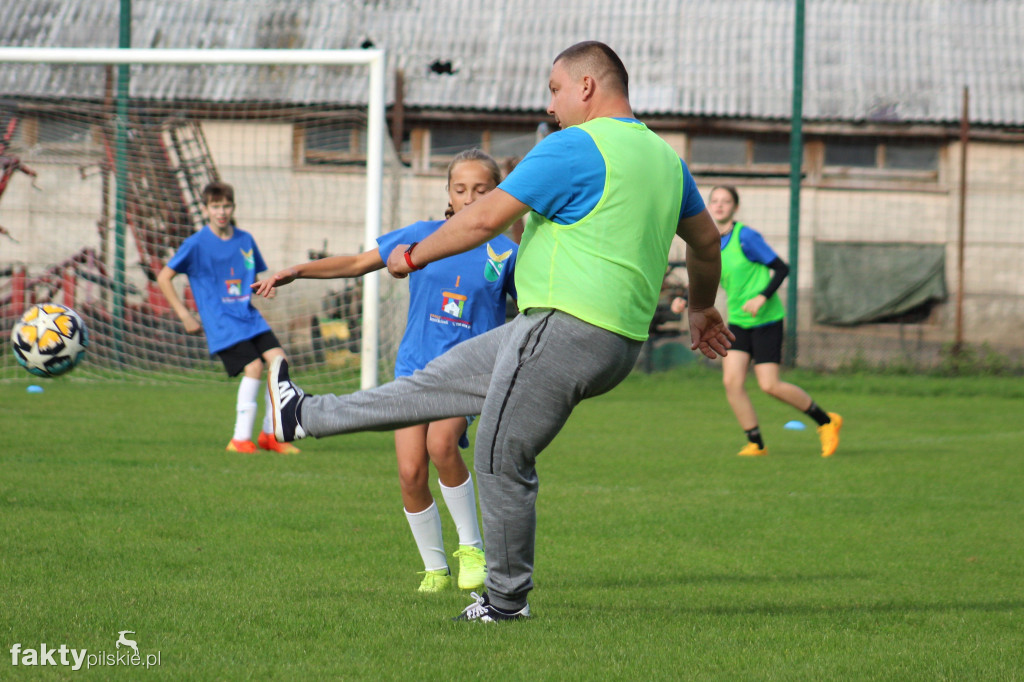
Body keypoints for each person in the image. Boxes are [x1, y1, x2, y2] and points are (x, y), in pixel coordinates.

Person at [264, 41, 733, 622]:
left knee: (499, 454)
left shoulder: (572, 146)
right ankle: (302, 415)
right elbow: (707, 242)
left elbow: (485, 218)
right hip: (612, 341)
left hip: (564, 326)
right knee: (431, 386)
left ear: (586, 86)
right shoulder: (666, 160)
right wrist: (703, 307)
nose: (551, 104)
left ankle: (506, 603)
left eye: (554, 89)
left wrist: (411, 256)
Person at [253, 149, 517, 594]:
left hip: (468, 373)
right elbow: (358, 263)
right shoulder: (421, 236)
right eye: (460, 189)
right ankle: (435, 569)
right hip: (414, 369)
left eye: (481, 190)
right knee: (411, 472)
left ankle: (472, 549)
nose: (470, 198)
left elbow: (534, 305)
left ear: (496, 194)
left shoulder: (507, 251)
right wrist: (297, 270)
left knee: (441, 444)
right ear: (448, 194)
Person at [676, 185, 841, 458]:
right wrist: (685, 297)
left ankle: (827, 421)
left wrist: (762, 297)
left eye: (725, 201)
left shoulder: (746, 237)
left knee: (769, 385)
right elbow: (705, 274)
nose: (719, 206)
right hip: (739, 321)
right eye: (714, 201)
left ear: (735, 207)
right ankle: (756, 443)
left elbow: (781, 268)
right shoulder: (709, 240)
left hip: (765, 320)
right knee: (732, 382)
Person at [157, 181, 299, 455]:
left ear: (233, 207)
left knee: (279, 362)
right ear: (206, 209)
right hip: (221, 321)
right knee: (254, 367)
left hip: (247, 316)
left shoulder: (245, 240)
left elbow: (251, 278)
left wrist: (263, 290)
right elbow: (164, 277)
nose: (221, 212)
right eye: (215, 206)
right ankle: (240, 439)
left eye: (226, 206)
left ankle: (271, 434)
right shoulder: (196, 244)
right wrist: (185, 314)